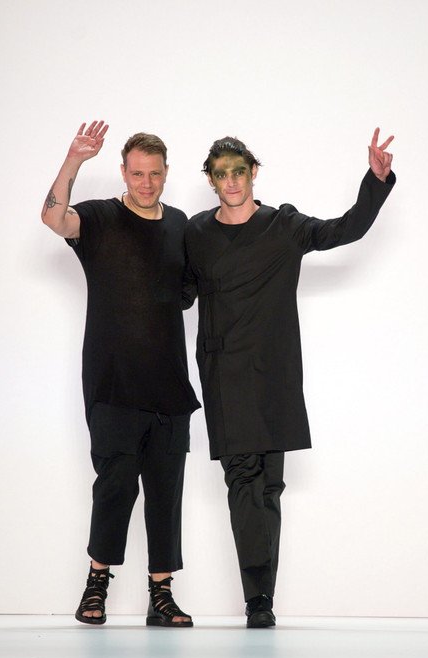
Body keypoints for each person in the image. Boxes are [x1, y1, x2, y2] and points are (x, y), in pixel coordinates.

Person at [183, 129, 396, 627]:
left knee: (269, 486)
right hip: (224, 372)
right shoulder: (196, 233)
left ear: (253, 172)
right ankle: (257, 599)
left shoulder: (283, 226)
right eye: (221, 174)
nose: (231, 181)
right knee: (242, 481)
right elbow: (179, 291)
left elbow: (344, 229)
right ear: (211, 180)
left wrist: (375, 181)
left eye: (239, 171)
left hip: (274, 371)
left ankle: (262, 597)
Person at [41, 120, 199, 627]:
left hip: (169, 385)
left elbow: (190, 291)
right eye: (137, 173)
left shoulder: (181, 225)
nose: (146, 182)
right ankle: (96, 584)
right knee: (115, 485)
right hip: (112, 383)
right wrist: (74, 159)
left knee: (165, 491)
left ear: (166, 173)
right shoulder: (101, 217)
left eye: (154, 173)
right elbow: (53, 218)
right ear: (123, 173)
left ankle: (162, 595)